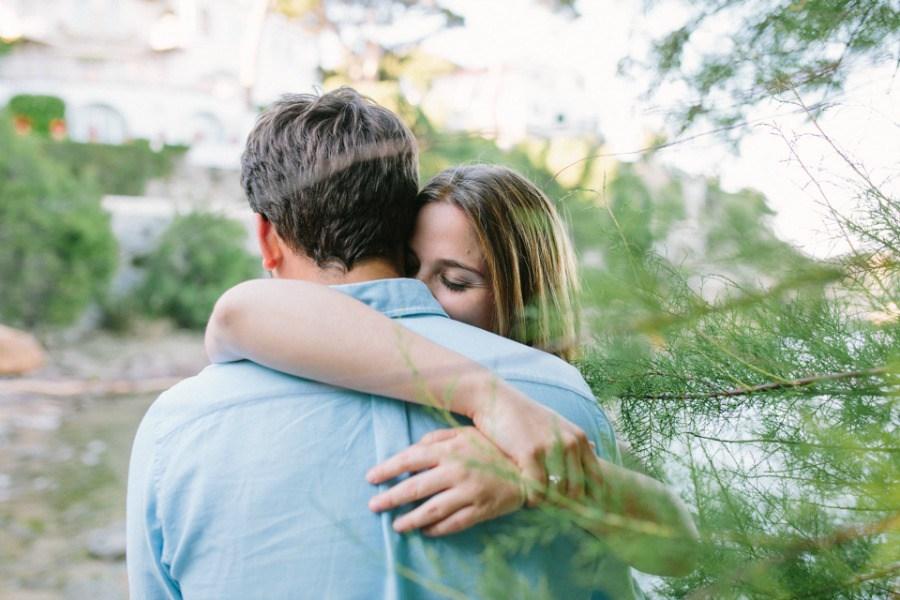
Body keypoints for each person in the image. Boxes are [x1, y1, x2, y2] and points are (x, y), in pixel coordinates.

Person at [125, 88, 666, 600]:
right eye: (420, 271)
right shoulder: (556, 403)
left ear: (266, 237)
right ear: (397, 222)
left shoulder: (177, 425)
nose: (432, 297)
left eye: (456, 281)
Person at [205, 164, 699, 576]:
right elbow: (238, 312)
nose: (417, 294)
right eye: (407, 267)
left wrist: (539, 473)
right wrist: (492, 401)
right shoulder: (363, 351)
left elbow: (681, 548)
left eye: (454, 281)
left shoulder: (561, 399)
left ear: (526, 297)